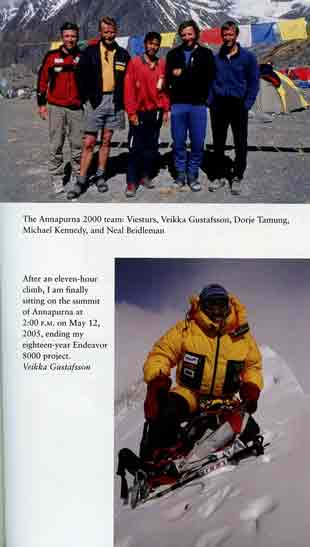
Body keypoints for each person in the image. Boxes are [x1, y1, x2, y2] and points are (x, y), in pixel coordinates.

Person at [142, 284, 263, 460]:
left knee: (249, 429)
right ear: (202, 306)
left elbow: (253, 366)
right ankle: (157, 463)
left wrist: (251, 387)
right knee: (166, 413)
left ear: (228, 306)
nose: (216, 311)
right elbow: (161, 354)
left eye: (220, 305)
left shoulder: (242, 337)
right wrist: (157, 381)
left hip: (225, 399)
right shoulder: (186, 330)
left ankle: (217, 454)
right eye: (211, 305)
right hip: (190, 394)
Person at [67, 16, 130, 200]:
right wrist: (87, 97)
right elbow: (79, 76)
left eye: (112, 32)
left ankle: (101, 176)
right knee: (89, 142)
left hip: (115, 101)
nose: (109, 35)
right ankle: (81, 180)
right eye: (105, 32)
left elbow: (128, 78)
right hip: (96, 101)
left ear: (115, 32)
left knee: (106, 141)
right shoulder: (90, 52)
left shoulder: (123, 54)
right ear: (100, 33)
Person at [209, 21, 260, 195]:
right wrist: (211, 101)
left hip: (238, 105)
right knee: (218, 142)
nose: (227, 38)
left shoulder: (248, 58)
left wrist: (247, 104)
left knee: (240, 142)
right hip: (219, 105)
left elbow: (254, 83)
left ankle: (237, 175)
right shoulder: (216, 58)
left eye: (230, 34)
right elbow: (210, 81)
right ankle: (219, 175)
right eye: (224, 35)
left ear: (236, 35)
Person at [165, 20, 215, 191]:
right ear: (180, 35)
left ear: (196, 34)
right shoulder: (173, 55)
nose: (187, 37)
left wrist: (183, 74)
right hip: (178, 105)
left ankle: (192, 172)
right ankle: (180, 172)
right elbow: (169, 78)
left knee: (197, 142)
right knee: (178, 141)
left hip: (198, 105)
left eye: (190, 34)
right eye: (184, 34)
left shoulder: (206, 54)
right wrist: (190, 76)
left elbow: (207, 77)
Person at [37, 22, 84, 194]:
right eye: (67, 36)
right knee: (56, 144)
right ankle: (57, 177)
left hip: (77, 108)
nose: (70, 39)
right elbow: (42, 80)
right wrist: (41, 104)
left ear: (77, 37)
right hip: (56, 107)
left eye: (73, 36)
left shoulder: (82, 56)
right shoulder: (51, 56)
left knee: (77, 144)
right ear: (61, 37)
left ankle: (77, 174)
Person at [124, 32, 170, 197]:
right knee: (135, 148)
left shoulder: (161, 64)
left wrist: (165, 109)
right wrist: (131, 112)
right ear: (144, 44)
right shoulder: (135, 63)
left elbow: (164, 90)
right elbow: (128, 90)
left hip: (155, 113)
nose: (153, 47)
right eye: (150, 43)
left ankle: (144, 176)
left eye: (156, 44)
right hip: (139, 113)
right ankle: (131, 182)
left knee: (151, 148)